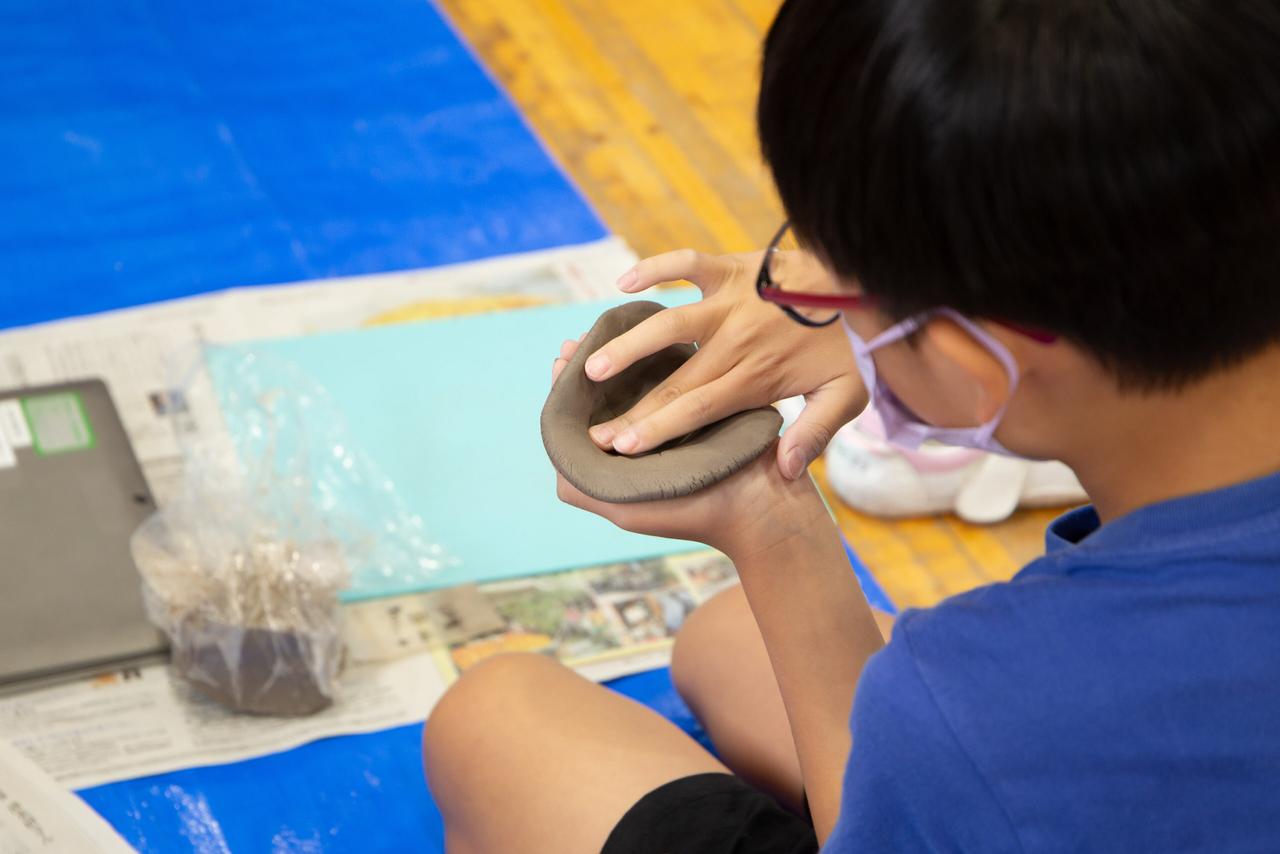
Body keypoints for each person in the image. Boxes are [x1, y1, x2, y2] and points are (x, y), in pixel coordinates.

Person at [423, 0, 1280, 850]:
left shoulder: (986, 705)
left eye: (834, 280)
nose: (808, 298)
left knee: (495, 722)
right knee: (727, 639)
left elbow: (901, 797)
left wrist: (772, 527)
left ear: (973, 368)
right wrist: (899, 319)